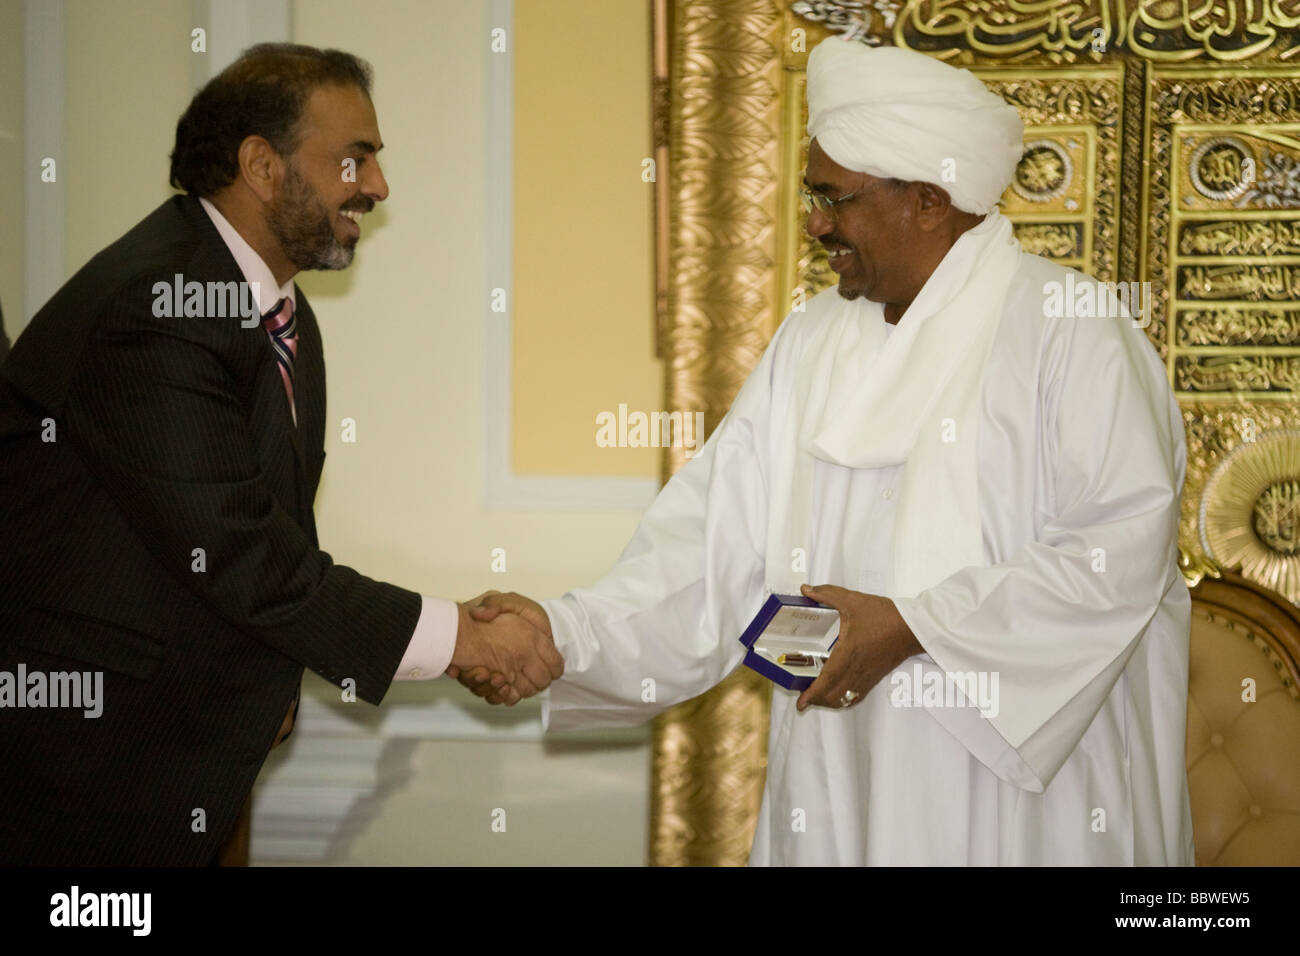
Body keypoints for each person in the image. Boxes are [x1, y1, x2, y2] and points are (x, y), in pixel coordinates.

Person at [460, 36, 1194, 865]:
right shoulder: (811, 340)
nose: (814, 224)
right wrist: (563, 632)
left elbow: (1116, 551)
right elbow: (709, 551)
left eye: (833, 199)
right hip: (839, 777)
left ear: (926, 197)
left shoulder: (1073, 327)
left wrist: (914, 626)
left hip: (1028, 800)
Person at [0, 43, 560, 866]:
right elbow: (244, 556)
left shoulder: (276, 314)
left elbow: (266, 545)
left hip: (185, 759)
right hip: (84, 773)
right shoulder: (160, 305)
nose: (376, 186)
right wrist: (462, 640)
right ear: (261, 165)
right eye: (354, 157)